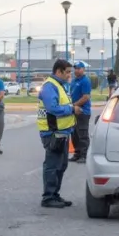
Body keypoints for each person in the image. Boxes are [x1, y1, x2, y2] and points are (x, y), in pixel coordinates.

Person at [37, 59, 81, 208]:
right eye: (67, 72)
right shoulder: (50, 86)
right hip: (52, 132)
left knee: (61, 165)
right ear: (58, 71)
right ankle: (48, 197)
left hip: (62, 132)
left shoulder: (61, 86)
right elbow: (53, 108)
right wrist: (71, 109)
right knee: (52, 165)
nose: (70, 75)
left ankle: (55, 194)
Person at [69, 61, 93, 163]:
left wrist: (75, 105)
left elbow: (86, 97)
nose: (76, 70)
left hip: (83, 112)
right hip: (74, 111)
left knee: (82, 134)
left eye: (79, 68)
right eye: (75, 68)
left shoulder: (85, 81)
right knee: (74, 134)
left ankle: (84, 155)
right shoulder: (74, 81)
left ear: (83, 69)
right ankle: (77, 153)